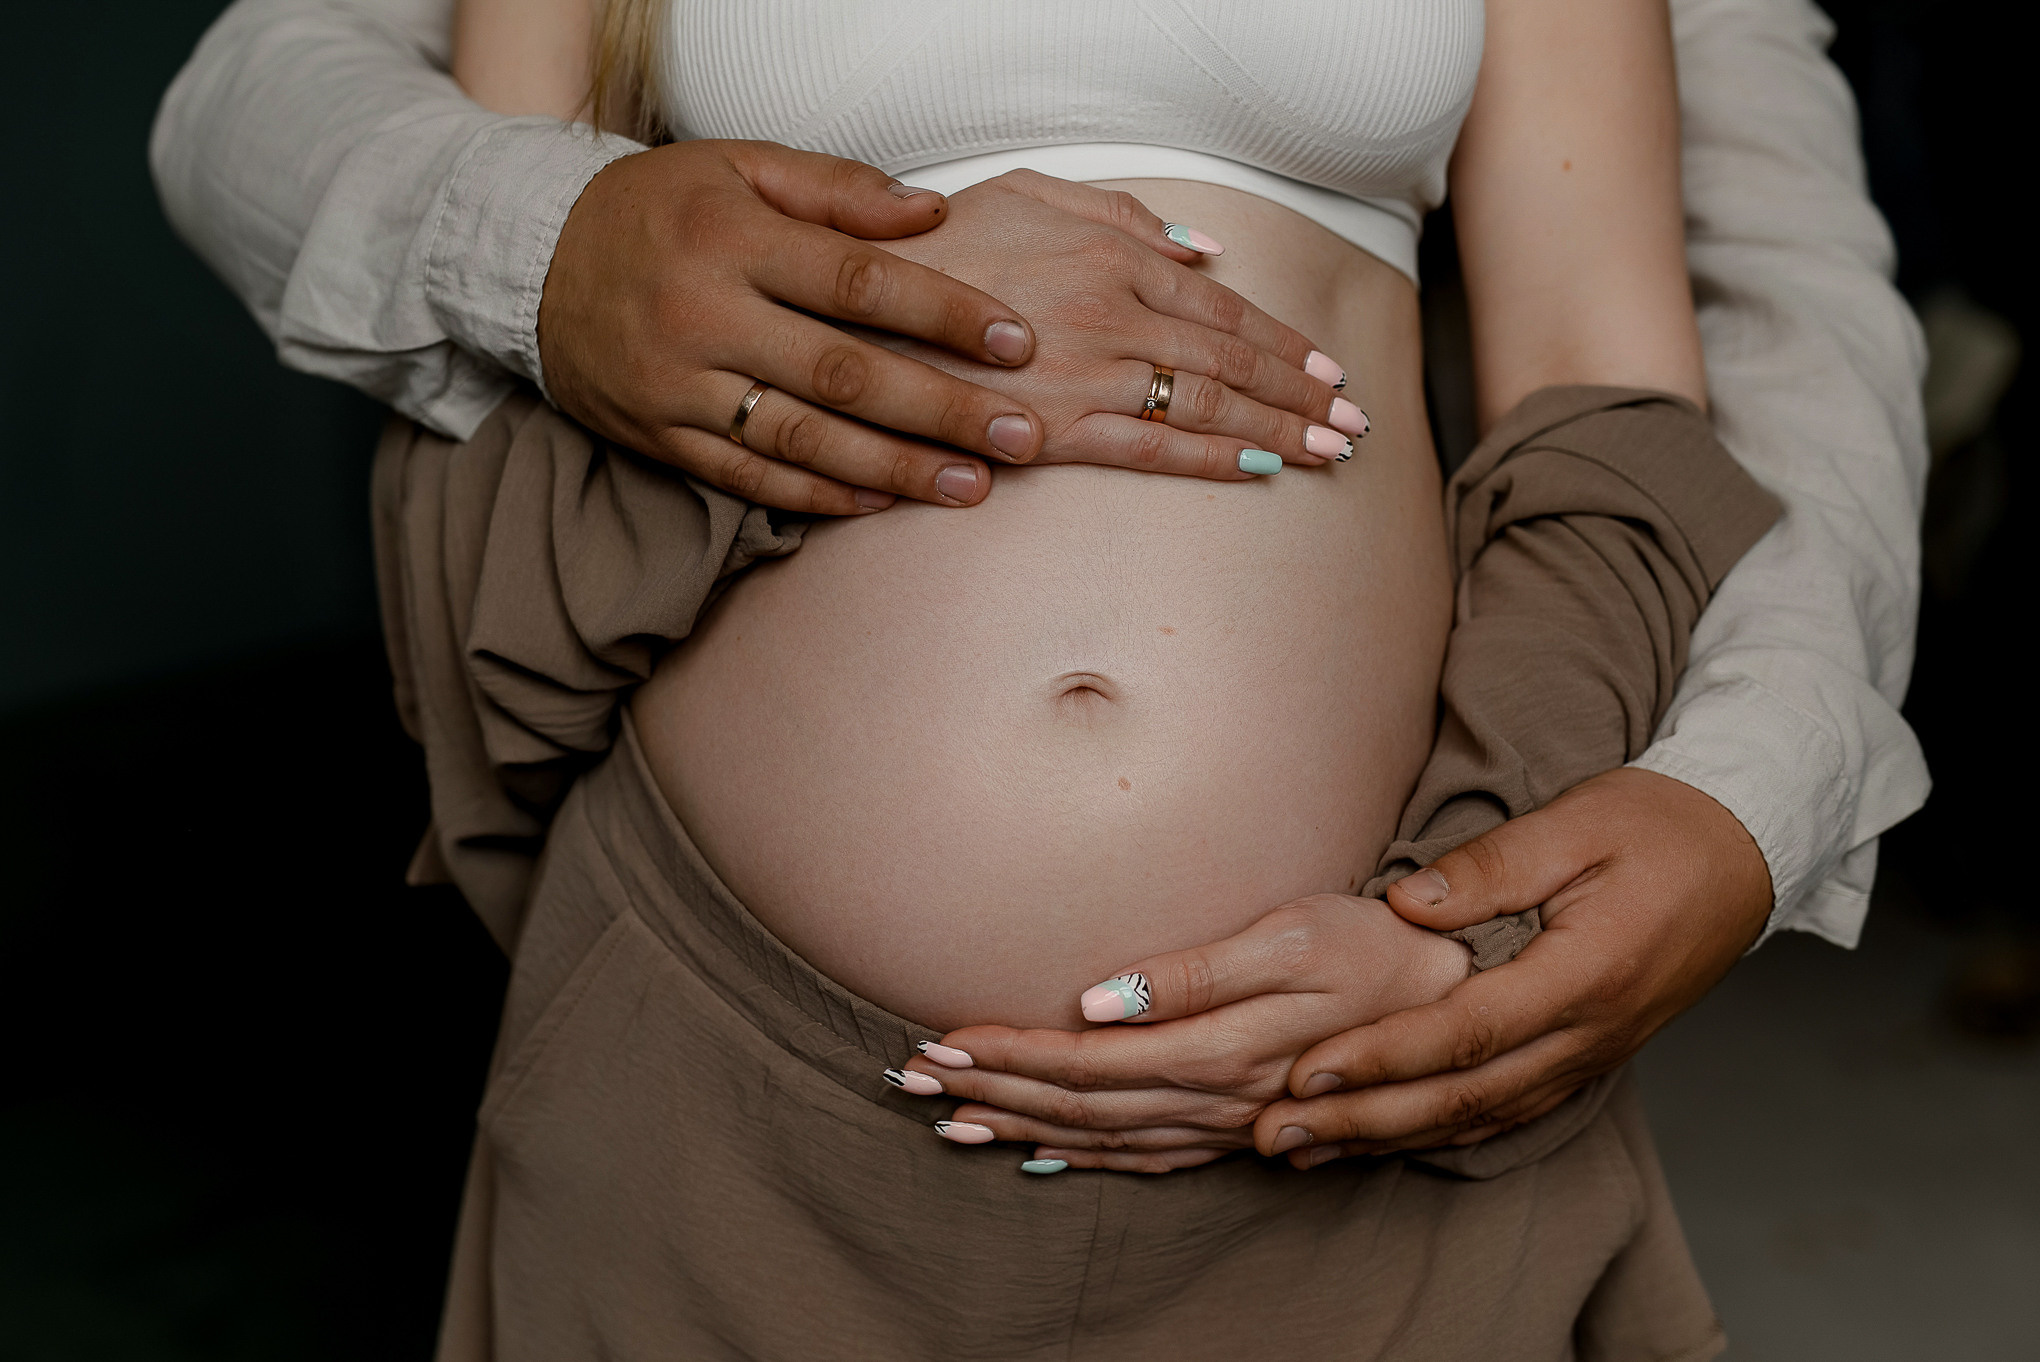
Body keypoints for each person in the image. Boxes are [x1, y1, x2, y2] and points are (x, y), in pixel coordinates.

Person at [152, 0, 1931, 1354]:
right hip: (718, 1075)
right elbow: (478, 390)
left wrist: (1459, 917)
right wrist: (724, 287)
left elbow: (1611, 416)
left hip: (1349, 1077)